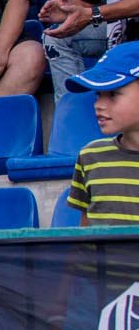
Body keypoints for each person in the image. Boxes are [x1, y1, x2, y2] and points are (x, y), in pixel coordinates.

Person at [64, 41, 139, 225]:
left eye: (113, 94)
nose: (98, 105)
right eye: (98, 94)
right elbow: (86, 236)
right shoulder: (91, 156)